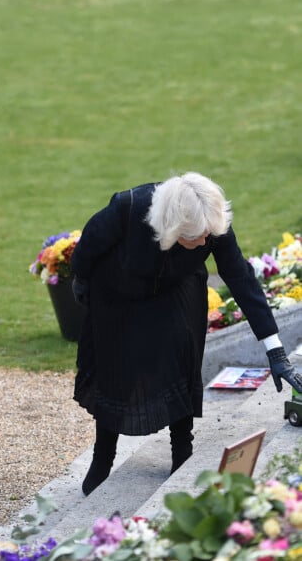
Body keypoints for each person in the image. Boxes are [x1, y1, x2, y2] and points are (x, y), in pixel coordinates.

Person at [71, 172, 302, 496]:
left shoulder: (211, 220)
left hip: (176, 286)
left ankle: (182, 450)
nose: (207, 243)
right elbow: (86, 251)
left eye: (211, 235)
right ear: (175, 228)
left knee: (181, 350)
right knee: (117, 367)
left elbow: (241, 278)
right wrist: (82, 284)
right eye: (199, 237)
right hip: (119, 290)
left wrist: (275, 350)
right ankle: (103, 457)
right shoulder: (128, 207)